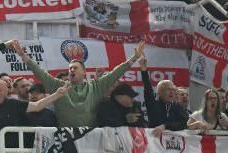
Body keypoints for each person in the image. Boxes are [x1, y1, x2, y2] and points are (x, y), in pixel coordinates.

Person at [18, 41, 146, 127]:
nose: (71, 69)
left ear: (84, 72)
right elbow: (39, 72)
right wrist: (23, 55)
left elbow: (115, 73)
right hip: (67, 139)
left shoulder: (96, 86)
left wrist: (134, 58)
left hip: (92, 137)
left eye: (75, 67)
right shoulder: (58, 86)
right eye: (70, 68)